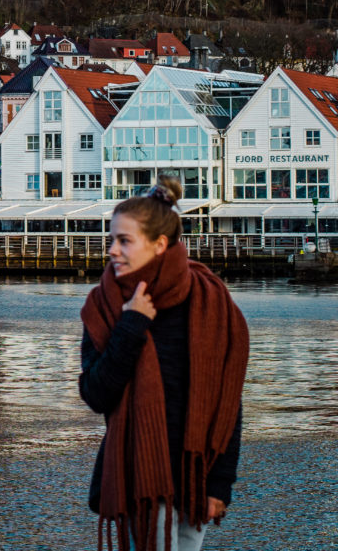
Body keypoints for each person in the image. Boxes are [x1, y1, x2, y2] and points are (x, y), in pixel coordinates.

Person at [79, 178, 249, 551]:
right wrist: (132, 325)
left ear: (159, 244)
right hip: (136, 476)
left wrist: (220, 484)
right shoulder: (105, 307)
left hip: (195, 479)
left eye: (124, 241)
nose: (112, 251)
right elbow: (95, 393)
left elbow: (228, 403)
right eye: (111, 240)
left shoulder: (211, 303)